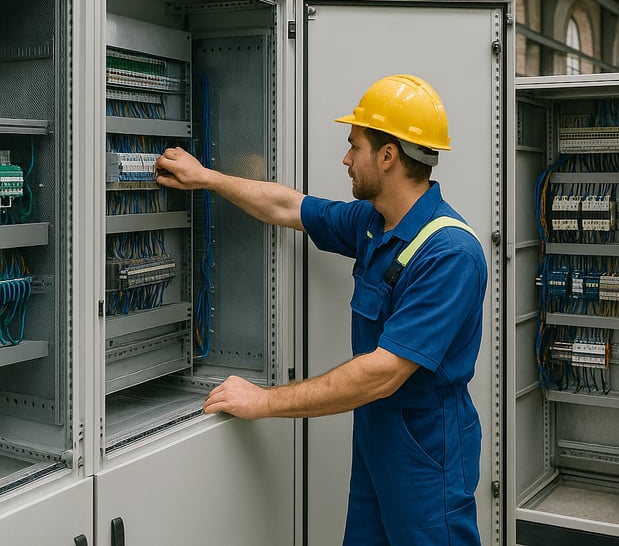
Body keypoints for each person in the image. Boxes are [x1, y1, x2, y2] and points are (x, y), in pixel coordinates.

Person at [154, 74, 487, 546]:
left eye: (356, 146)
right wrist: (205, 177)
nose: (346, 159)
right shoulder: (374, 223)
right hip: (377, 438)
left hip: (427, 452)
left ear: (388, 156)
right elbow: (288, 206)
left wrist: (264, 401)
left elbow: (382, 374)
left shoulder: (449, 253)